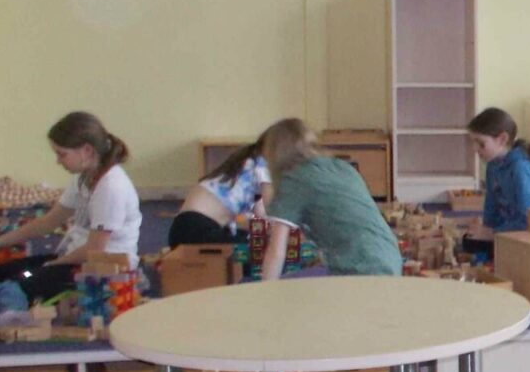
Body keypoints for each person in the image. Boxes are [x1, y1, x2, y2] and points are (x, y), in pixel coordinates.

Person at [0, 112, 142, 304]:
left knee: (17, 285)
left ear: (87, 151)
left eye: (62, 154)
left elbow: (95, 250)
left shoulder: (111, 187)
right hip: (76, 255)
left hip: (106, 267)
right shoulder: (83, 176)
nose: (58, 161)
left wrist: (54, 264)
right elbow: (48, 222)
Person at [255, 119, 402, 279]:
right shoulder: (340, 167)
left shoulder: (294, 179)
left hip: (362, 265)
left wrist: (265, 289)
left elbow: (277, 252)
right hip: (388, 254)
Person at [465, 109, 530, 236]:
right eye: (473, 142)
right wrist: (485, 229)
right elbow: (491, 205)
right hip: (525, 218)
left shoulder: (520, 167)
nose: (475, 148)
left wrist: (491, 233)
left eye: (481, 143)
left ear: (502, 139)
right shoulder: (492, 164)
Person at [170, 140, 271, 247]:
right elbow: (271, 212)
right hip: (198, 231)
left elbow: (259, 216)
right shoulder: (262, 164)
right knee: (259, 248)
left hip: (183, 229)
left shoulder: (248, 162)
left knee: (253, 240)